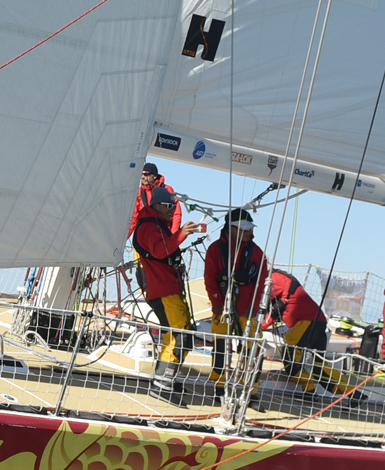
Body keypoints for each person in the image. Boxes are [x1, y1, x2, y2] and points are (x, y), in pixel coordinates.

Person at [129, 163, 205, 369]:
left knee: (183, 335)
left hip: (169, 288)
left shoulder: (157, 224)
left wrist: (177, 235)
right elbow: (160, 250)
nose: (172, 210)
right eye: (169, 207)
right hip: (162, 289)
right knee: (176, 335)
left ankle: (166, 378)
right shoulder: (149, 227)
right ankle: (164, 380)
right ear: (158, 206)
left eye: (173, 206)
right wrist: (181, 235)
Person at [202, 209, 267, 383]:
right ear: (231, 228)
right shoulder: (216, 250)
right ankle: (220, 385)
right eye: (244, 229)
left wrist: (255, 307)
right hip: (223, 306)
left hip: (248, 308)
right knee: (222, 346)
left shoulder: (257, 253)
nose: (248, 233)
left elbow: (262, 282)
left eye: (250, 229)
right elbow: (210, 278)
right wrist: (216, 302)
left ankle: (251, 390)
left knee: (253, 347)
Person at [264, 268, 336, 392]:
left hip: (308, 321)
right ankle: (353, 394)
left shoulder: (274, 279)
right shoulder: (279, 277)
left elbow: (276, 308)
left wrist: (261, 325)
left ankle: (308, 387)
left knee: (289, 352)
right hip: (316, 320)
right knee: (319, 365)